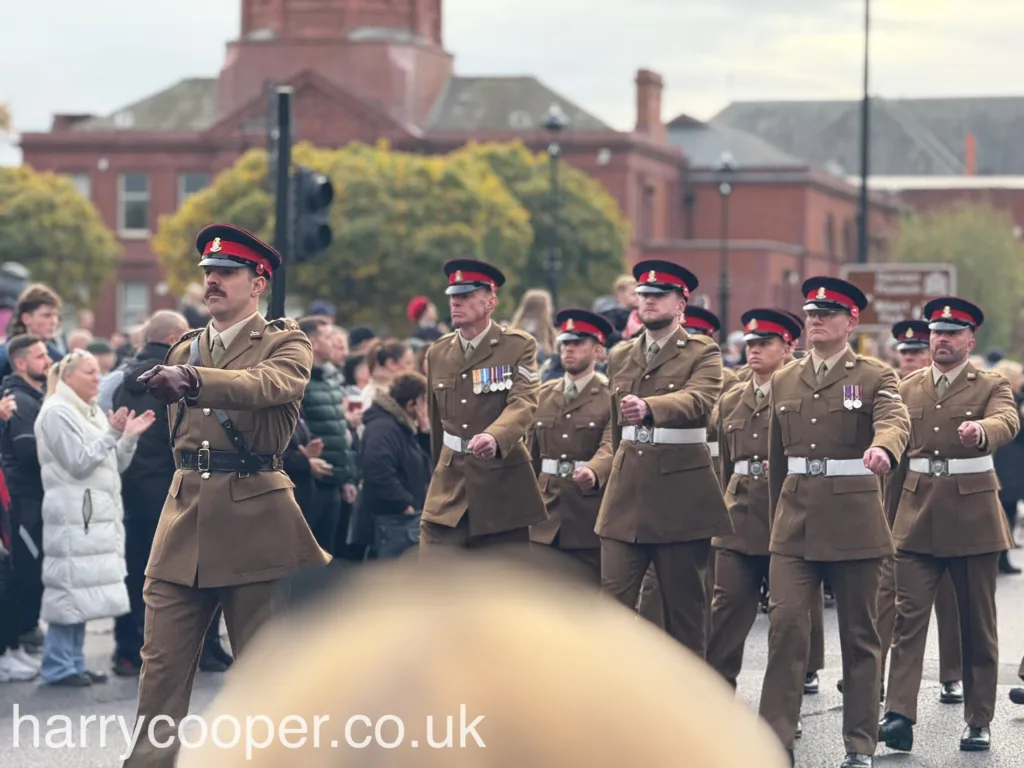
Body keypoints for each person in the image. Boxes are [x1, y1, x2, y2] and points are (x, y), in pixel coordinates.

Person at [120, 224, 330, 768]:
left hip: (254, 519)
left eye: (227, 274)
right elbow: (177, 439)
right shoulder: (186, 343)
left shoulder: (287, 342)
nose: (212, 282)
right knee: (160, 665)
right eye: (208, 274)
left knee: (263, 668)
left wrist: (193, 380)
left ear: (257, 283)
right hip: (184, 515)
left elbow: (268, 386)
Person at [757, 276, 911, 768]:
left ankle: (860, 743)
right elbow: (777, 460)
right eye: (810, 313)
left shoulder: (874, 375)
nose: (815, 319)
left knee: (861, 636)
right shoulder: (784, 377)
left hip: (855, 523)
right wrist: (773, 528)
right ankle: (774, 740)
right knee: (784, 630)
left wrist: (884, 447)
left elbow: (894, 418)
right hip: (795, 523)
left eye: (826, 313)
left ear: (852, 322)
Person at [879, 297, 1019, 755]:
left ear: (969, 340)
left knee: (977, 625)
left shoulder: (989, 384)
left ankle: (978, 719)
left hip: (972, 518)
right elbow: (898, 449)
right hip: (916, 519)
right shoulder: (909, 387)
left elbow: (1007, 419)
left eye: (952, 333)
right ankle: (899, 713)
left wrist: (983, 432)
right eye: (936, 332)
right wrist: (888, 518)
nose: (941, 339)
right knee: (907, 619)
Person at [590, 260, 731, 655]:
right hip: (627, 494)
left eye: (659, 295)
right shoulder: (621, 355)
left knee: (684, 613)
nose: (648, 301)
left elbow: (700, 399)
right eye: (644, 294)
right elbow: (618, 429)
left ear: (681, 303)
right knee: (612, 606)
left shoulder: (702, 350)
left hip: (679, 496)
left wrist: (651, 406)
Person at [837, 319, 965, 703]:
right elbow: (850, 417)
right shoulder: (885, 385)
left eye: (916, 353)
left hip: (939, 503)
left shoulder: (947, 388)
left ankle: (951, 672)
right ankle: (872, 677)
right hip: (894, 500)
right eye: (904, 353)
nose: (908, 359)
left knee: (949, 597)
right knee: (885, 596)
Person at [35, 350, 155, 685]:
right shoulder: (56, 412)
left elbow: (114, 463)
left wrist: (127, 437)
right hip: (73, 513)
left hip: (94, 513)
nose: (97, 378)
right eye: (89, 372)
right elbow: (78, 462)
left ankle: (72, 661)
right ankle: (59, 664)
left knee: (81, 589)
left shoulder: (88, 411)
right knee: (68, 585)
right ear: (68, 377)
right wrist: (112, 435)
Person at [420, 259, 546, 550]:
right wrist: (437, 470)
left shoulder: (517, 346)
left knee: (503, 589)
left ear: (490, 301)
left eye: (465, 296)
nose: (455, 304)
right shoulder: (437, 352)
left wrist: (495, 435)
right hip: (448, 488)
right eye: (452, 297)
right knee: (433, 583)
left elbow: (524, 401)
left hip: (501, 485)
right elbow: (437, 421)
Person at [706, 309, 802, 686]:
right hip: (740, 516)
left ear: (787, 348)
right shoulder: (731, 400)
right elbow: (728, 465)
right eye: (751, 344)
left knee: (786, 618)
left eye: (765, 343)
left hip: (786, 513)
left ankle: (783, 707)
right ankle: (715, 696)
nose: (755, 351)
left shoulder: (799, 394)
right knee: (726, 610)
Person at [529, 309, 614, 584]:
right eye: (565, 343)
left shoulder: (609, 397)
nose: (569, 349)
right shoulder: (544, 394)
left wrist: (593, 470)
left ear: (598, 350)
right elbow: (530, 455)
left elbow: (611, 445)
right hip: (545, 514)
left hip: (586, 515)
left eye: (578, 343)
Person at [359, 372, 432, 558]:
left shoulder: (404, 426)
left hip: (406, 518)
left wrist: (424, 432)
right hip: (393, 521)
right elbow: (377, 470)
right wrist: (403, 503)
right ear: (411, 404)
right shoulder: (383, 428)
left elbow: (426, 461)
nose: (428, 408)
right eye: (424, 402)